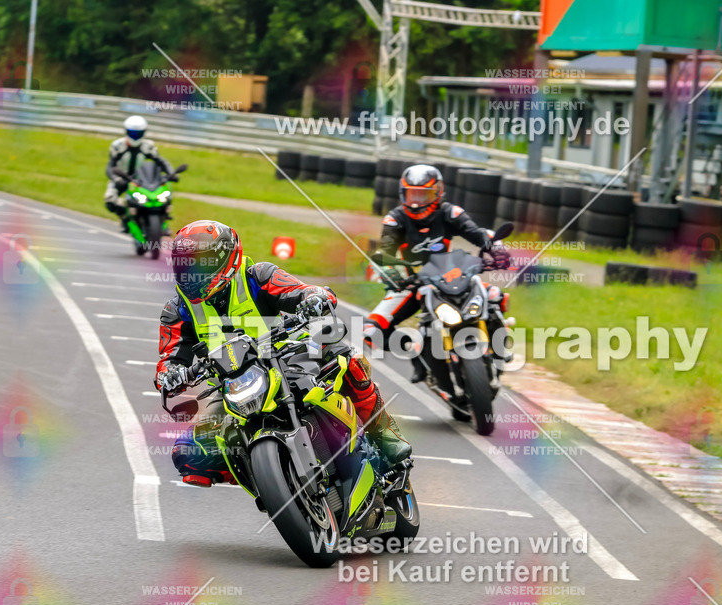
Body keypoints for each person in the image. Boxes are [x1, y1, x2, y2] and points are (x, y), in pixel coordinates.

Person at [156, 220, 411, 487]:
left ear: (224, 259)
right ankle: (268, 479)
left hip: (287, 358)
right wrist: (170, 377)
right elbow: (168, 359)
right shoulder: (177, 311)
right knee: (187, 454)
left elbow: (299, 290)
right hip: (229, 388)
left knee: (346, 358)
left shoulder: (257, 276)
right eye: (184, 265)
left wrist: (314, 297)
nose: (190, 273)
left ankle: (384, 434)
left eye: (198, 264)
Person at [364, 164, 511, 383]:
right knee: (370, 332)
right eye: (412, 194)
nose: (417, 202)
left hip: (451, 275)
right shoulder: (395, 219)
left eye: (424, 195)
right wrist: (389, 272)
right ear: (403, 193)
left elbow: (476, 233)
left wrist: (495, 249)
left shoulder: (450, 212)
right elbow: (385, 253)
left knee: (496, 296)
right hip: (413, 283)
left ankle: (499, 348)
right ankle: (416, 351)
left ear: (438, 193)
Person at [104, 115, 174, 232]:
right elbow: (110, 166)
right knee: (110, 200)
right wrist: (115, 179)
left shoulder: (148, 146)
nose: (135, 137)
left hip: (141, 179)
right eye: (132, 133)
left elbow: (161, 162)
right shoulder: (118, 146)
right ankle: (125, 218)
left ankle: (164, 222)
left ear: (144, 133)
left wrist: (171, 173)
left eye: (138, 133)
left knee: (165, 194)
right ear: (126, 132)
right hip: (121, 178)